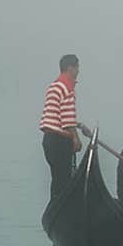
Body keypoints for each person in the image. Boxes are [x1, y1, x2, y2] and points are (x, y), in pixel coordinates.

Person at [39, 55, 92, 201]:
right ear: (70, 68)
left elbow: (57, 114)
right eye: (77, 67)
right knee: (63, 179)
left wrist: (79, 125)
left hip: (49, 140)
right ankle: (61, 206)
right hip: (59, 141)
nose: (78, 71)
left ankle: (55, 204)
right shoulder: (67, 86)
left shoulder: (54, 86)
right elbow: (67, 118)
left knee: (57, 178)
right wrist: (76, 138)